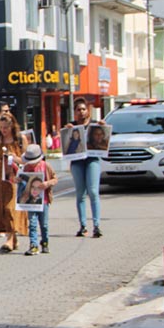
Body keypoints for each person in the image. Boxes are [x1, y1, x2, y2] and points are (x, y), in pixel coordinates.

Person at [0, 112, 28, 253]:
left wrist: (15, 158)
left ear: (12, 126)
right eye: (1, 127)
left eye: (6, 127)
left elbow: (27, 160)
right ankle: (12, 237)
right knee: (1, 207)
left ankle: (9, 239)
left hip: (13, 177)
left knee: (11, 208)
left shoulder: (20, 139)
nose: (3, 130)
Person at [68, 98, 104, 238]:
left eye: (83, 109)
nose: (81, 112)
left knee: (93, 192)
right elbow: (66, 144)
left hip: (92, 160)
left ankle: (97, 225)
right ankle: (83, 225)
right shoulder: (71, 126)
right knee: (80, 194)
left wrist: (103, 128)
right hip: (77, 162)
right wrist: (67, 132)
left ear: (88, 111)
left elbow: (104, 139)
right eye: (78, 110)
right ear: (75, 112)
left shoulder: (95, 125)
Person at [20, 144, 58, 256]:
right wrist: (19, 179)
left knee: (44, 224)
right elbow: (23, 182)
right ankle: (33, 245)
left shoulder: (45, 166)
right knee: (32, 223)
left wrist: (47, 183)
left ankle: (45, 243)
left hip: (44, 201)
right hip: (31, 201)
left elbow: (55, 178)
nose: (31, 164)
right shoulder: (26, 168)